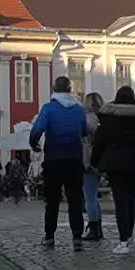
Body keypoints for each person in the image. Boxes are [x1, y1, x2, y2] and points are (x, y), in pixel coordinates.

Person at [29, 76, 88, 250]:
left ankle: (49, 237)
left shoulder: (48, 109)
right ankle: (77, 237)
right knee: (75, 200)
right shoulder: (79, 110)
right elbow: (83, 132)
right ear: (70, 90)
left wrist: (35, 144)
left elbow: (37, 130)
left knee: (52, 200)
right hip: (74, 158)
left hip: (54, 159)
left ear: (54, 89)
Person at [91, 85, 135, 254]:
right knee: (131, 199)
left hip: (115, 161)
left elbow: (99, 141)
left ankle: (123, 239)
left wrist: (95, 161)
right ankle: (129, 237)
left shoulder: (109, 116)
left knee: (120, 201)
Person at [80, 93, 105, 241]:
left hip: (87, 161)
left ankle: (93, 227)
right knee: (93, 195)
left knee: (89, 197)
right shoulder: (102, 119)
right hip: (98, 161)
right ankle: (98, 227)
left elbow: (84, 141)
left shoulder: (87, 119)